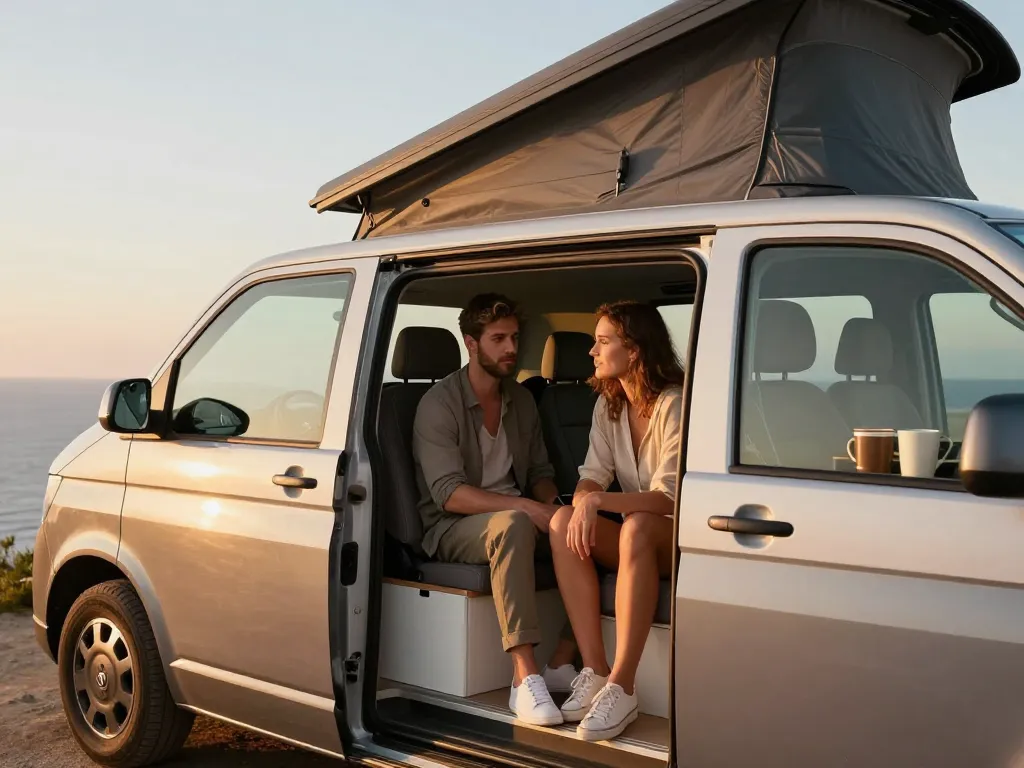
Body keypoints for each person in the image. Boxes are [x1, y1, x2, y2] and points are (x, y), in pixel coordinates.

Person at [412, 293, 579, 726]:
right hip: (453, 526)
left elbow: (540, 471)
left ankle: (563, 660)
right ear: (471, 343)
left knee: (581, 526)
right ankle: (524, 677)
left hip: (513, 517)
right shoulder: (438, 404)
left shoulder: (520, 400)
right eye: (498, 339)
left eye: (515, 338)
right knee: (514, 524)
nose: (511, 349)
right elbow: (448, 494)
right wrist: (526, 507)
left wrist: (555, 507)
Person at [548, 300, 684, 741]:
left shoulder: (674, 404)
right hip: (635, 540)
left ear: (635, 349)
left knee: (638, 524)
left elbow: (669, 497)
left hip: (679, 540)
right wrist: (584, 501)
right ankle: (596, 669)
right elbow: (592, 474)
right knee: (561, 521)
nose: (592, 351)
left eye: (603, 341)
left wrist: (599, 500)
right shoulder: (608, 406)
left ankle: (623, 686)